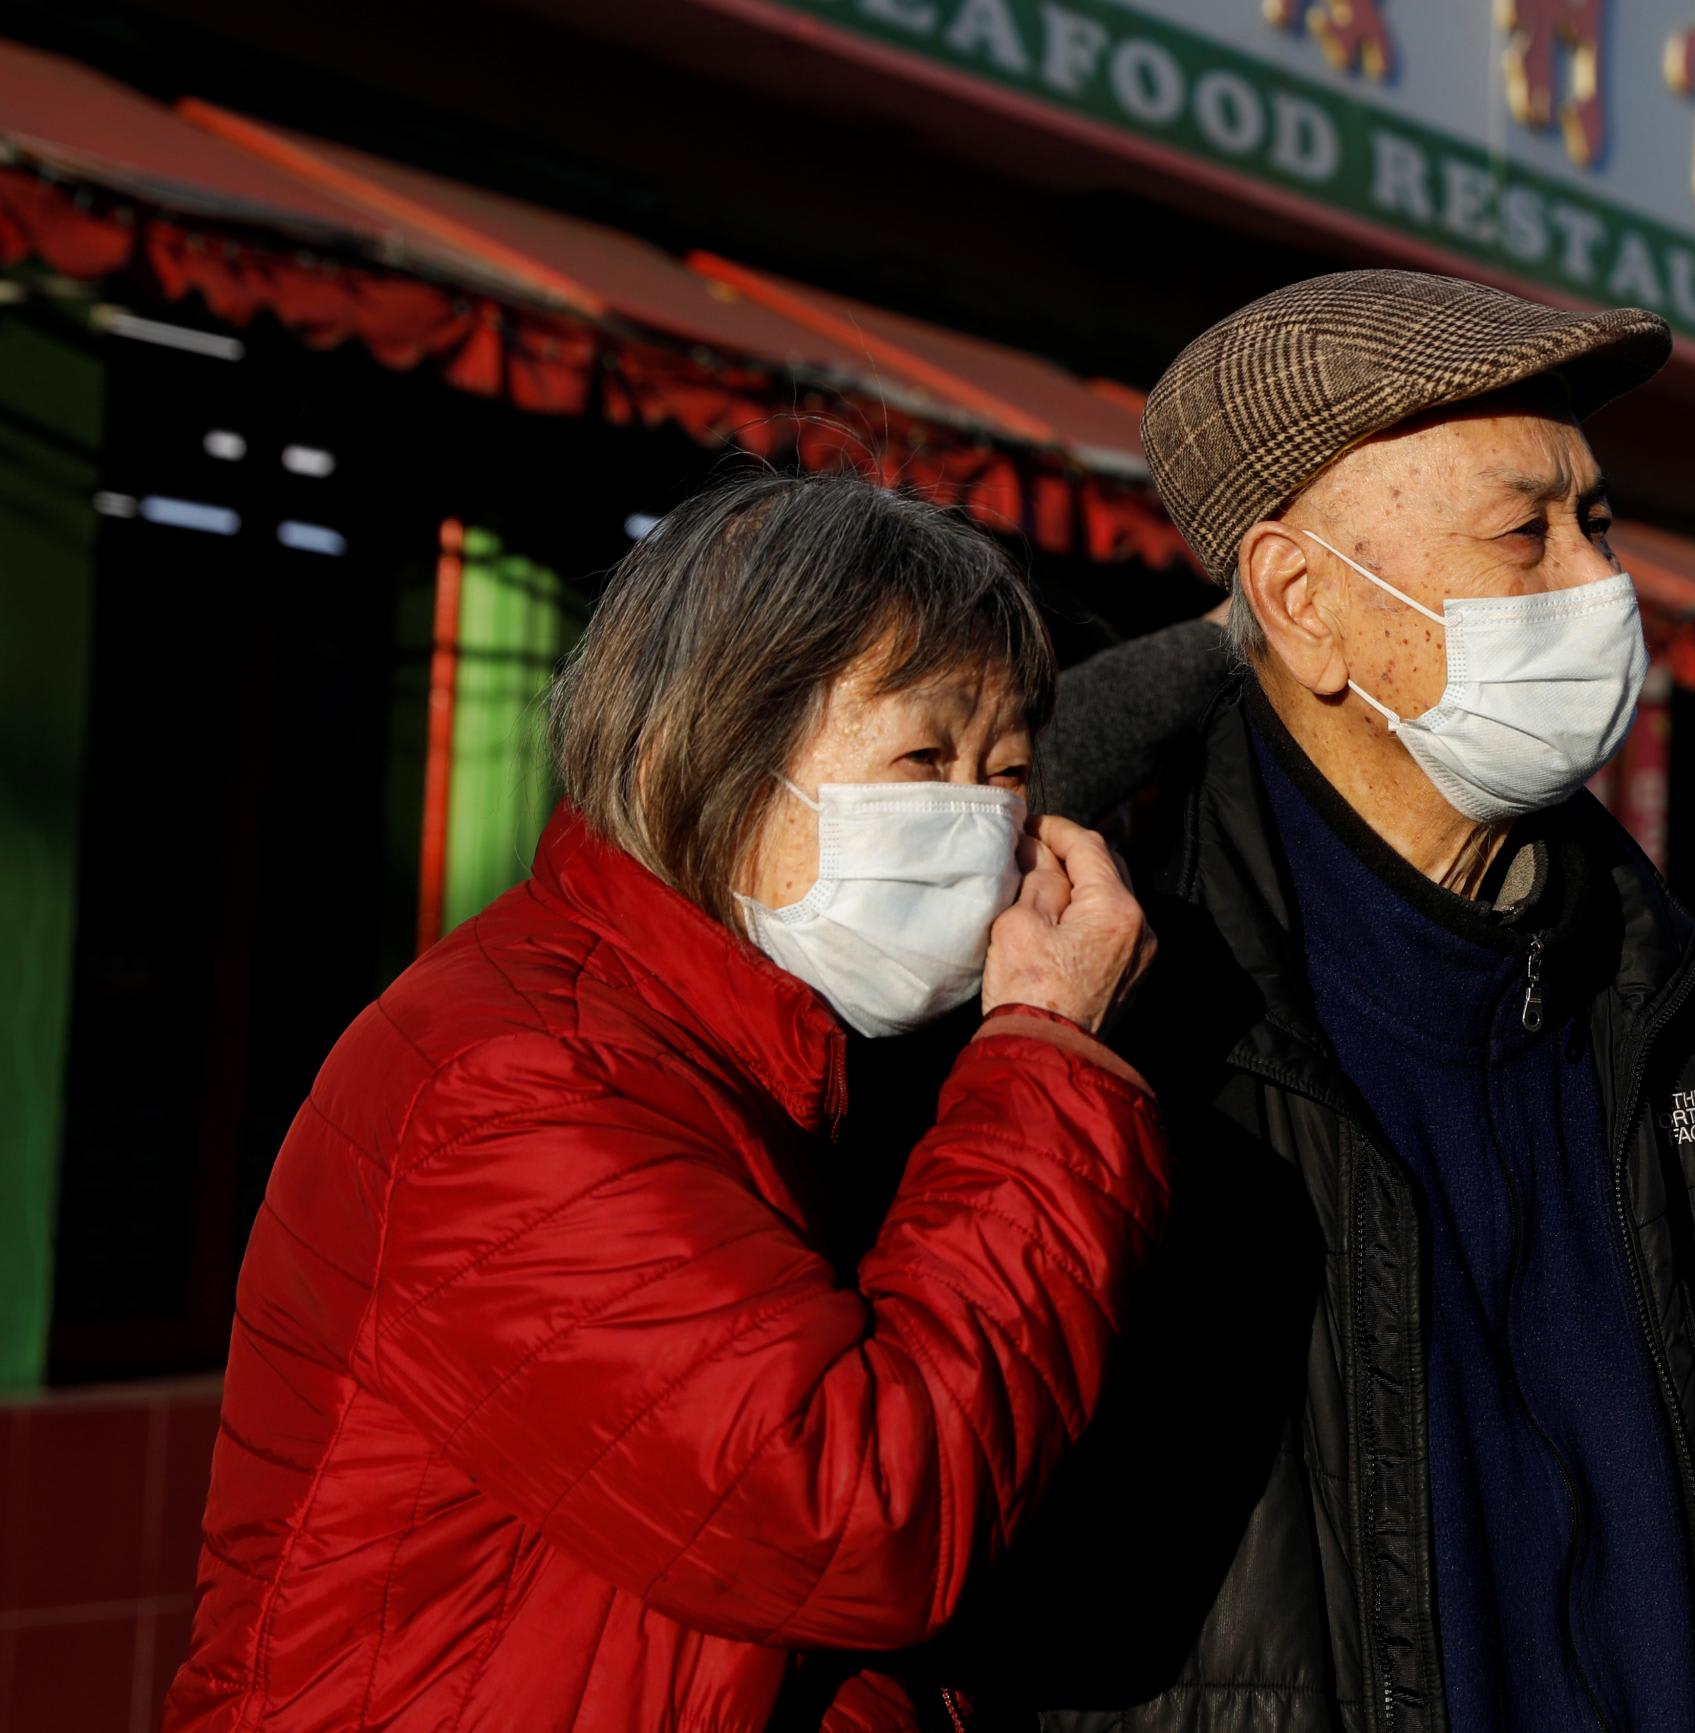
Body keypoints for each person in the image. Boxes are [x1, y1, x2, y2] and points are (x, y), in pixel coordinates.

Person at [932, 269, 1695, 1733]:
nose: (1597, 585)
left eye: (1597, 521)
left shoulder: (1656, 981)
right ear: (1301, 602)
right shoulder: (1119, 999)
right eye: (1521, 532)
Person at [167, 472, 1170, 1733]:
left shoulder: (782, 1056)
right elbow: (855, 1515)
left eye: (1006, 770)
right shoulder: (517, 1079)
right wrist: (1047, 1056)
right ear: (693, 750)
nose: (976, 821)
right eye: (923, 755)